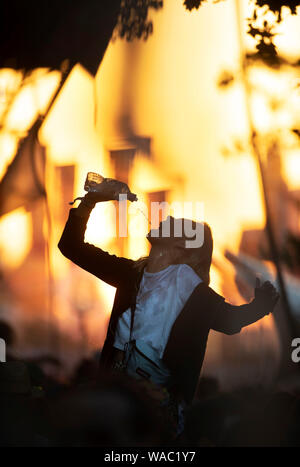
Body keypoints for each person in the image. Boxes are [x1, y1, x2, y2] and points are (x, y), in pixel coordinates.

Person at [58, 180, 279, 436]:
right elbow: (71, 247)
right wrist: (90, 201)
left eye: (179, 226)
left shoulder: (196, 295)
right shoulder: (131, 275)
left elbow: (229, 321)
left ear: (186, 251)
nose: (168, 218)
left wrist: (261, 306)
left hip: (159, 416)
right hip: (116, 404)